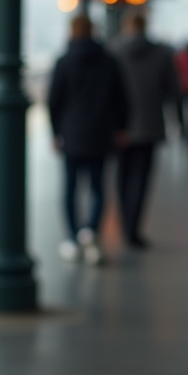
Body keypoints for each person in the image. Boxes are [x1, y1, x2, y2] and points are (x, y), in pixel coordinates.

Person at [47, 16, 128, 265]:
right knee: (98, 188)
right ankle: (90, 230)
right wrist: (121, 128)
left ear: (71, 32)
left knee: (70, 189)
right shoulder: (109, 61)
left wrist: (55, 133)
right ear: (93, 31)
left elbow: (53, 101)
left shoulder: (63, 62)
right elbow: (121, 98)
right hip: (101, 134)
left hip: (71, 136)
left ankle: (72, 239)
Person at [110, 13, 181, 249]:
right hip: (150, 126)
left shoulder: (114, 52)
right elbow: (174, 92)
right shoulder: (162, 53)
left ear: (126, 26)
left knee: (121, 176)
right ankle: (133, 229)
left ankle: (124, 223)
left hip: (120, 128)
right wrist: (180, 124)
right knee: (141, 178)